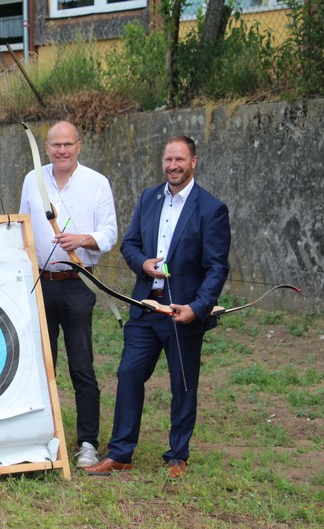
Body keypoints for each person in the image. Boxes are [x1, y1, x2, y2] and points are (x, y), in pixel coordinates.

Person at [83, 135, 230, 479]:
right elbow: (130, 245)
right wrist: (143, 264)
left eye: (180, 160)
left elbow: (217, 268)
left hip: (184, 312)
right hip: (146, 306)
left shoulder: (211, 208)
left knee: (183, 384)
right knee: (129, 374)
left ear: (193, 162)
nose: (173, 166)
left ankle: (177, 456)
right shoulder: (149, 198)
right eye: (168, 159)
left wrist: (198, 307)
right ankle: (120, 453)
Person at [18, 120, 118, 468]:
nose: (61, 150)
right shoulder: (33, 179)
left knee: (81, 365)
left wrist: (82, 240)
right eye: (55, 145)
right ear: (46, 148)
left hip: (78, 282)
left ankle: (88, 442)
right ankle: (40, 437)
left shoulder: (96, 182)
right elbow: (23, 228)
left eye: (67, 144)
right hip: (41, 282)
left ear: (79, 146)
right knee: (42, 364)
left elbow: (110, 233)